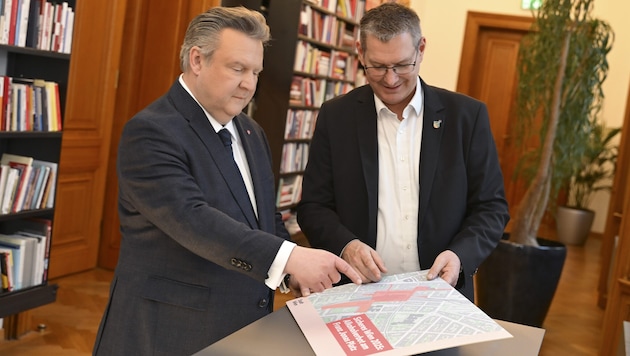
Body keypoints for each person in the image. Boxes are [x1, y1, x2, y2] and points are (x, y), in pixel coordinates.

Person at [93, 6, 361, 355]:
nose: (249, 83)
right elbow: (194, 220)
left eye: (255, 72)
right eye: (237, 68)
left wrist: (290, 273)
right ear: (197, 60)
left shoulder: (252, 132)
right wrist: (290, 258)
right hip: (166, 332)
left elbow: (265, 219)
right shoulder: (151, 131)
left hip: (241, 327)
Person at [297, 3, 509, 302]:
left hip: (441, 294)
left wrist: (459, 255)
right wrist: (347, 245)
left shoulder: (467, 117)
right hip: (356, 292)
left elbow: (491, 207)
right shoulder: (336, 116)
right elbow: (314, 206)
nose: (390, 79)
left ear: (421, 49)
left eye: (401, 65)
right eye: (378, 66)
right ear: (360, 52)